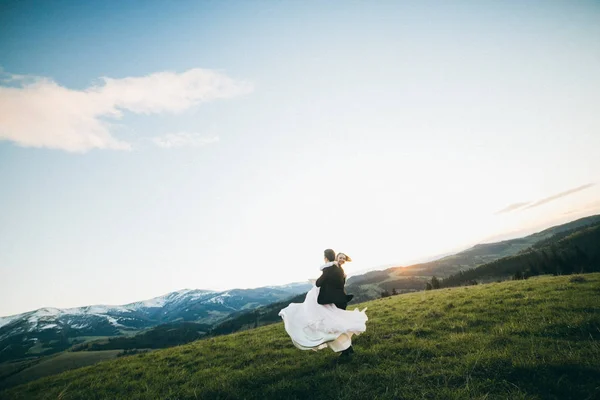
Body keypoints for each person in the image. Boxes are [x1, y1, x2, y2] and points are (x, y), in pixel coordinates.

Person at [278, 249, 368, 360]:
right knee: (337, 326)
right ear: (335, 257)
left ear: (325, 258)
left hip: (334, 300)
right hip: (339, 299)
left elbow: (319, 282)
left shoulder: (328, 269)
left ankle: (347, 349)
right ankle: (347, 349)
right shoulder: (338, 269)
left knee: (335, 327)